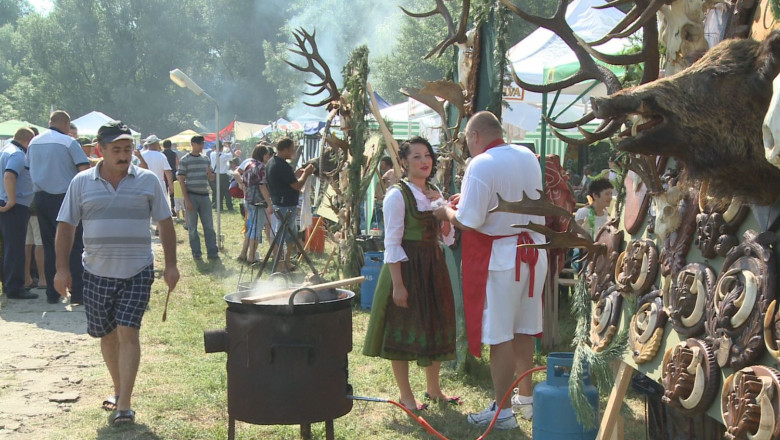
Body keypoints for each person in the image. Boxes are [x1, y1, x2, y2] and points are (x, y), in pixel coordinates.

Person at [53, 120, 179, 426]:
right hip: (95, 271)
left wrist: (172, 265)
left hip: (137, 269)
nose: (124, 155)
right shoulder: (81, 183)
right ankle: (119, 386)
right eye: (117, 150)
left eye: (128, 149)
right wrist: (60, 269)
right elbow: (66, 227)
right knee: (107, 335)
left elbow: (165, 223)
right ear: (100, 150)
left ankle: (125, 404)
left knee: (128, 332)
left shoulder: (148, 181)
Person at [434, 111, 548, 429]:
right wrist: (467, 200)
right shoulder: (526, 155)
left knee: (500, 335)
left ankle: (503, 412)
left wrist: (444, 210)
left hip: (503, 258)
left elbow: (470, 220)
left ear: (474, 136)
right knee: (525, 328)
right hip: (533, 251)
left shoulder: (481, 163)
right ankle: (526, 400)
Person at [363, 137, 457, 411]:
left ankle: (433, 388)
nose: (424, 161)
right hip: (406, 266)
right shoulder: (397, 194)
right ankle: (406, 394)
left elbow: (448, 239)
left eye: (427, 155)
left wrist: (443, 211)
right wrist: (398, 285)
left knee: (435, 322)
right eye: (416, 156)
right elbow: (391, 242)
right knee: (402, 327)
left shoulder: (434, 192)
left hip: (433, 266)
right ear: (404, 162)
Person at [27, 110, 90, 304]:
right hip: (65, 197)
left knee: (49, 246)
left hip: (40, 198)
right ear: (66, 124)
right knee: (74, 244)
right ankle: (77, 293)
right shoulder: (69, 142)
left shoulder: (33, 142)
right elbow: (84, 170)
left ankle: (52, 293)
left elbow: (29, 167)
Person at [266, 137, 314, 272]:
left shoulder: (273, 162)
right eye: (292, 150)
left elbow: (286, 181)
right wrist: (306, 174)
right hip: (284, 205)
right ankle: (279, 264)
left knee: (291, 235)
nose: (293, 153)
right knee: (281, 236)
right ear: (285, 150)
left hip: (282, 203)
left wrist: (295, 174)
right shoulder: (281, 165)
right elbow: (297, 185)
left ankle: (286, 261)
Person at [0, 127, 37, 299]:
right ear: (29, 141)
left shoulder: (5, 150)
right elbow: (9, 175)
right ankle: (15, 287)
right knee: (15, 247)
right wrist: (12, 199)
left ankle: (8, 283)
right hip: (14, 206)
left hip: (6, 203)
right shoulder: (17, 154)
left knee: (8, 247)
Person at [177, 135, 219, 261]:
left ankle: (212, 252)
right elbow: (181, 181)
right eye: (199, 143)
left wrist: (211, 174)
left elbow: (211, 178)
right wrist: (187, 200)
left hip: (205, 196)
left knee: (209, 226)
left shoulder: (205, 159)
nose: (201, 146)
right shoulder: (185, 160)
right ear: (193, 144)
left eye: (203, 143)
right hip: (192, 195)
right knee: (193, 228)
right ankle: (197, 253)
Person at [237, 145, 273, 264]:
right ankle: (251, 257)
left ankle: (243, 254)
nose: (268, 157)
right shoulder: (261, 167)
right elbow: (262, 186)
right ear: (262, 155)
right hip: (258, 202)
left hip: (248, 199)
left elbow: (243, 181)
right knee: (256, 230)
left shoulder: (249, 165)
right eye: (267, 155)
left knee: (251, 227)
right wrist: (269, 203)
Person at [209, 141, 235, 211]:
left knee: (218, 192)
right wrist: (229, 146)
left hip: (215, 174)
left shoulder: (212, 154)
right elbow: (233, 155)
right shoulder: (224, 156)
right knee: (227, 192)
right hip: (223, 175)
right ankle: (229, 206)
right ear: (222, 148)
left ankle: (219, 206)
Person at [161, 139, 179, 215]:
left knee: (164, 192)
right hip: (173, 173)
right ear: (170, 145)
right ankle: (173, 208)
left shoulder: (161, 154)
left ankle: (164, 209)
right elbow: (177, 164)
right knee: (173, 194)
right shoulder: (174, 154)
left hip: (164, 174)